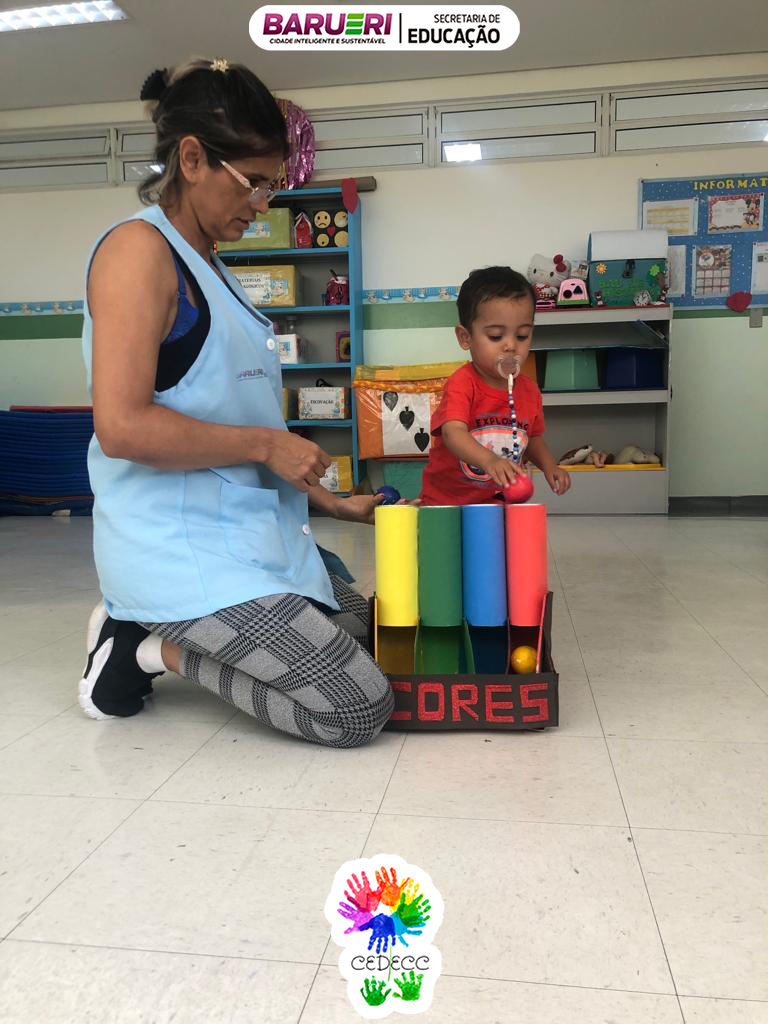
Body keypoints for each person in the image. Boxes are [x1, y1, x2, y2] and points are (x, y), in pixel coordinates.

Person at [78, 57, 394, 748]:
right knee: (355, 705)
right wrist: (267, 445)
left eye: (273, 185)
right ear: (192, 159)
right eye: (254, 183)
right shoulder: (137, 253)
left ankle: (151, 628)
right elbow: (123, 427)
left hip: (241, 532)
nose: (264, 203)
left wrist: (329, 503)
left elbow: (229, 414)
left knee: (363, 629)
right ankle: (142, 648)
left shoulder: (211, 266)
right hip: (177, 548)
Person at [419, 266, 571, 506]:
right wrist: (490, 461)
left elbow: (532, 438)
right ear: (465, 338)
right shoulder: (462, 383)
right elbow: (452, 433)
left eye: (522, 336)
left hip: (499, 503)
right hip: (448, 502)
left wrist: (550, 466)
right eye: (496, 336)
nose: (511, 346)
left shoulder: (529, 390)